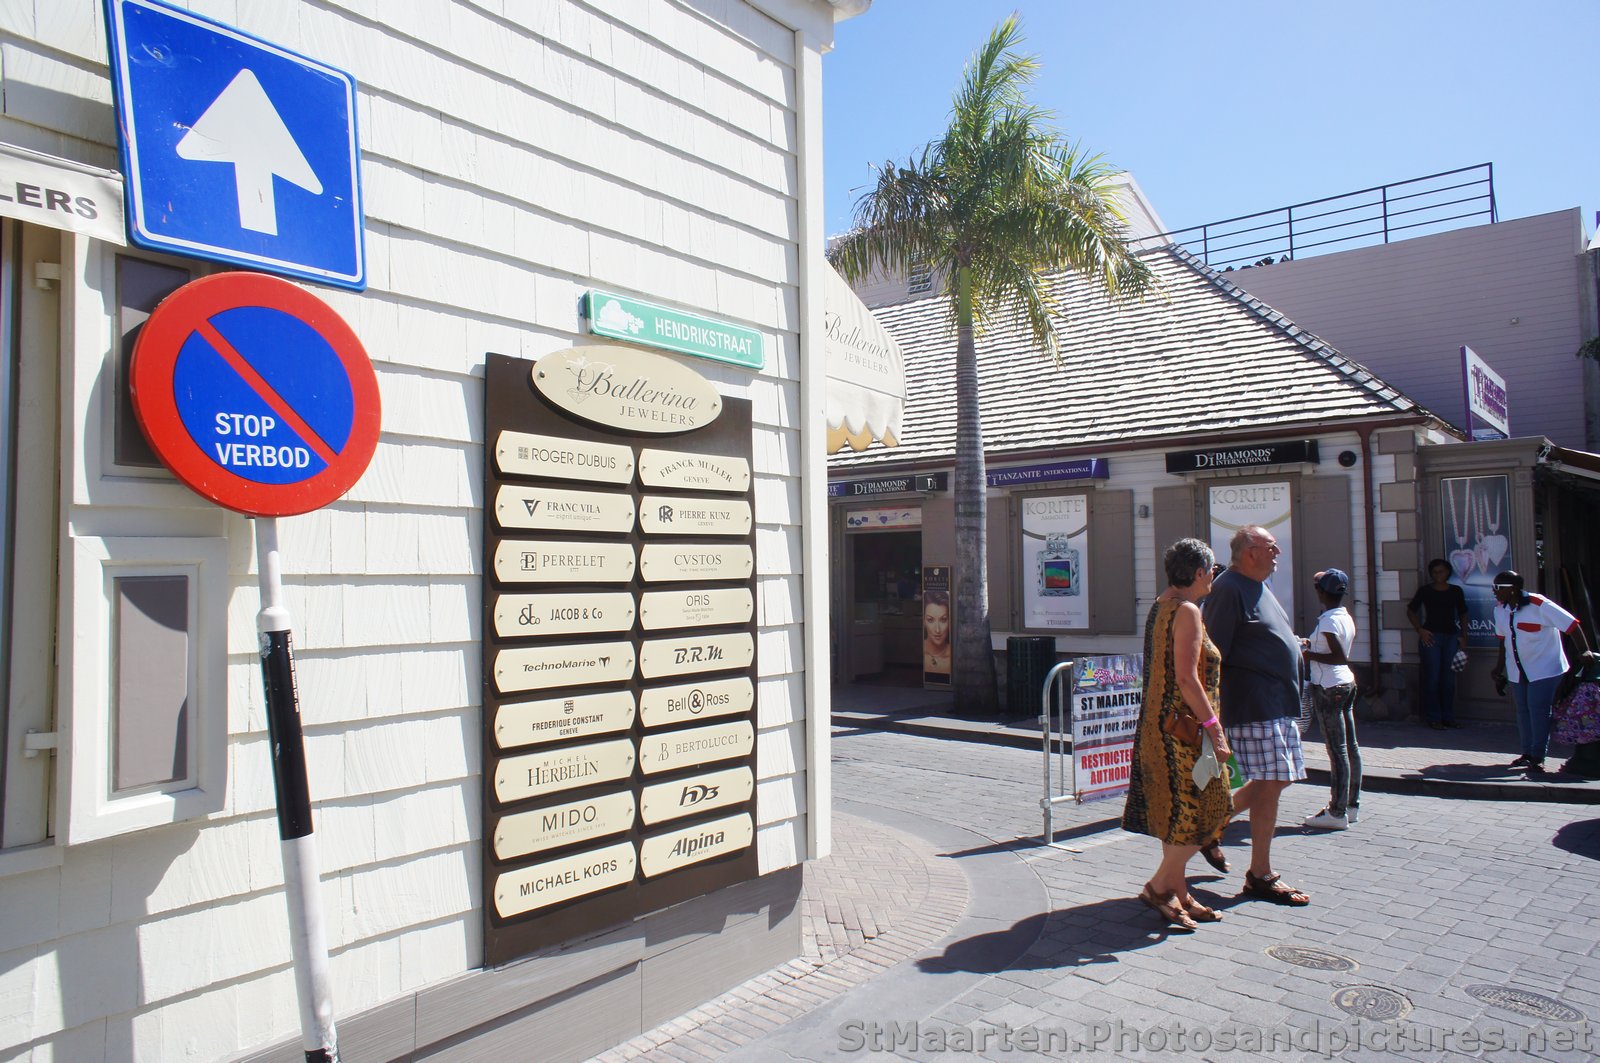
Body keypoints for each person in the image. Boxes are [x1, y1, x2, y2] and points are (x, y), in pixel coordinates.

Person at [1123, 538, 1234, 930]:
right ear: (1199, 572)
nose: (1214, 579)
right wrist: (1214, 729)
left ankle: (1179, 892)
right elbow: (1187, 679)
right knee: (1207, 808)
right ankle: (1157, 888)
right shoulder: (1187, 611)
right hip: (1181, 733)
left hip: (1161, 725)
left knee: (1180, 813)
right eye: (1213, 571)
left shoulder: (1161, 604)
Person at [1202, 524, 1310, 906]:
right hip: (1252, 705)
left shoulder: (1259, 585)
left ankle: (1216, 831)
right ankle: (1253, 866)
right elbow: (1213, 656)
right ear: (1250, 552)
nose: (1278, 552)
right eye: (1271, 546)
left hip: (1276, 703)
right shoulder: (1229, 589)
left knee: (1276, 781)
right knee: (1271, 780)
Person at [1490, 571, 1591, 775]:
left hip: (1545, 668)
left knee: (1538, 710)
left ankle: (1538, 757)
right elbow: (1503, 642)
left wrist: (1584, 651)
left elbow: (1572, 625)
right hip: (1517, 669)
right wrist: (1498, 669)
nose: (1495, 592)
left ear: (1513, 589)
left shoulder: (1539, 604)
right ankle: (1527, 753)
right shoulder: (1500, 610)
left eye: (1499, 588)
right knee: (1523, 712)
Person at [1301, 569, 1360, 830]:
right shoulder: (1343, 617)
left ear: (1322, 592)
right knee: (1351, 747)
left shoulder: (1327, 622)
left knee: (1337, 750)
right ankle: (1351, 804)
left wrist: (1308, 654)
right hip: (1346, 682)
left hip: (1329, 685)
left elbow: (1337, 656)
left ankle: (1336, 812)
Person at [1407, 559, 1469, 729]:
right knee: (1433, 677)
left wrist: (1464, 636)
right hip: (1431, 637)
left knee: (1448, 679)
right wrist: (1420, 629)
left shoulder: (1456, 591)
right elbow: (1411, 610)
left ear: (1448, 572)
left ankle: (1448, 716)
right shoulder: (1425, 591)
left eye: (1441, 571)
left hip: (1451, 637)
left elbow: (1463, 613)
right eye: (1434, 572)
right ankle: (1433, 717)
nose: (1437, 575)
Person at [922, 589, 951, 676]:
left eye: (943, 620)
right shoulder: (917, 653)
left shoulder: (954, 656)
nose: (937, 630)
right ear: (924, 621)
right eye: (930, 620)